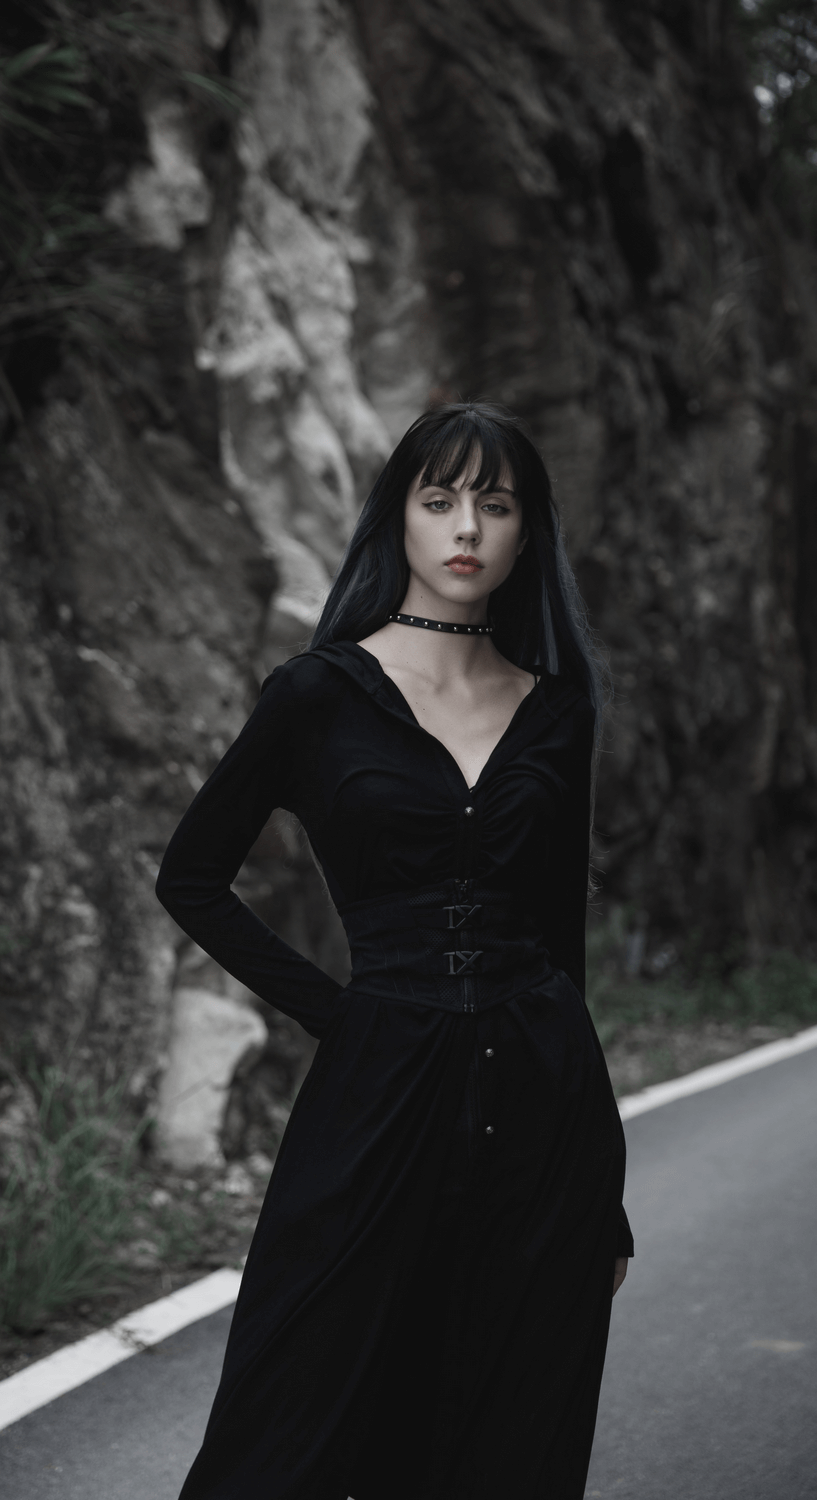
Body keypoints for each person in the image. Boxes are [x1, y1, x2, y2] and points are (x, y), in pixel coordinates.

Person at [156, 400, 633, 1500]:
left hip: (543, 1118)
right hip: (375, 1099)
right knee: (287, 1426)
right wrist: (340, 1013)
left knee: (510, 1438)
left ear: (525, 534)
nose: (466, 525)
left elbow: (559, 946)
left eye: (496, 504)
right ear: (401, 521)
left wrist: (604, 1192)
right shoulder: (316, 695)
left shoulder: (560, 711)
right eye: (439, 499)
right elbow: (190, 879)